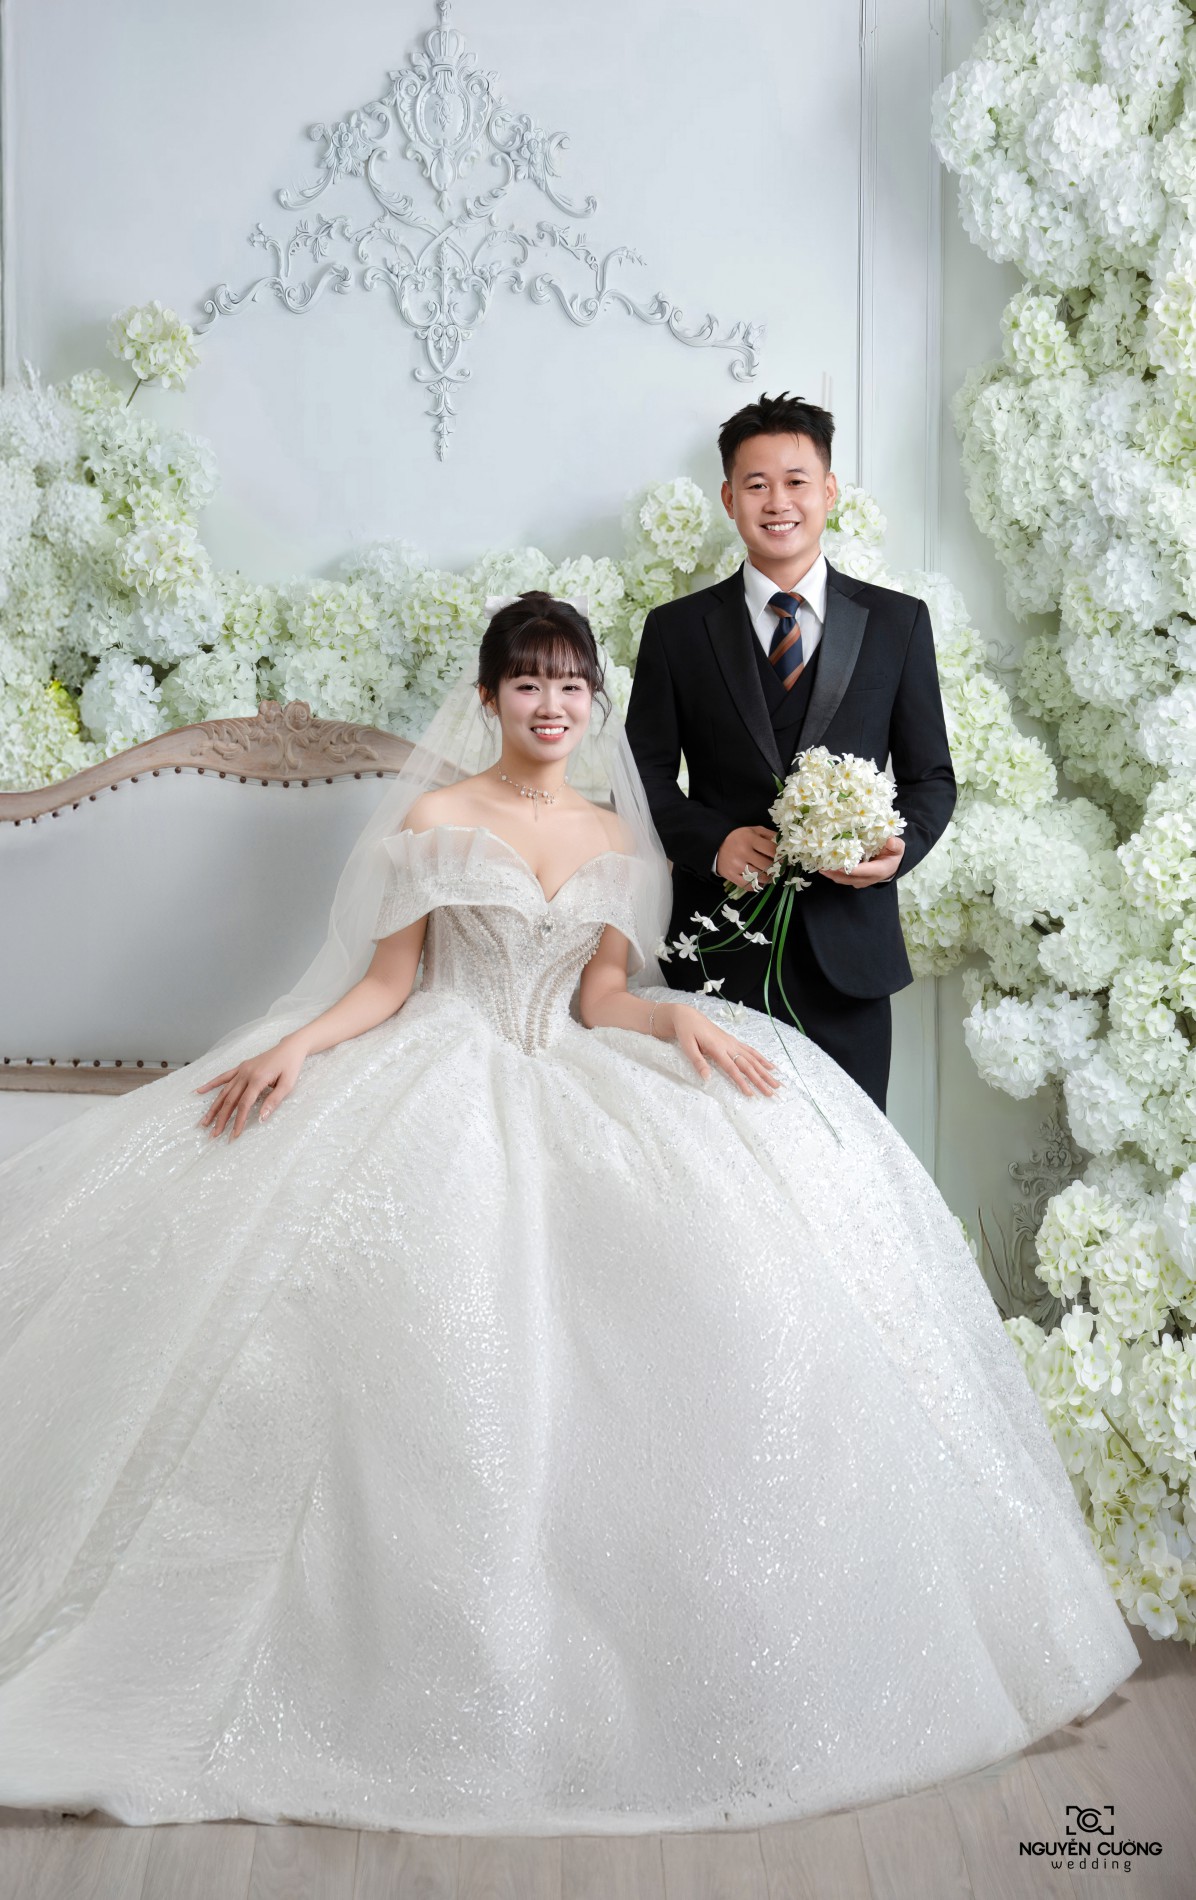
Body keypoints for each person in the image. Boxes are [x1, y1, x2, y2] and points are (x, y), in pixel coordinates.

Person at [0, 593, 1137, 1836]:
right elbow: (387, 983)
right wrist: (296, 1047)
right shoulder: (435, 819)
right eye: (527, 684)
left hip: (570, 1060)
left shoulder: (616, 840)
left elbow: (601, 996)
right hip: (442, 1065)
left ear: (594, 702)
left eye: (569, 685)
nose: (550, 705)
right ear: (489, 698)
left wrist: (674, 1016)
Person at [624, 391, 957, 1113]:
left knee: (850, 1160)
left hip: (851, 958)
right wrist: (712, 843)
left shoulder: (897, 623)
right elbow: (641, 775)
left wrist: (899, 849)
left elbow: (931, 777)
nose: (778, 502)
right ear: (729, 498)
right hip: (717, 951)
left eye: (796, 481)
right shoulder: (677, 631)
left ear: (828, 490)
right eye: (756, 484)